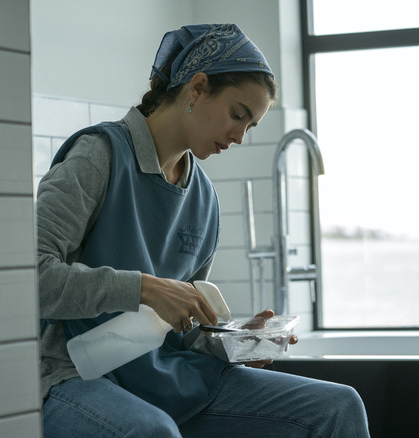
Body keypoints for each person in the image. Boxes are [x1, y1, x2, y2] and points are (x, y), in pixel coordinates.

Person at [38, 23, 370, 437]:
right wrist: (145, 288)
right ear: (196, 88)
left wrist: (232, 342)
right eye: (238, 115)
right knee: (152, 432)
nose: (239, 136)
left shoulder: (204, 199)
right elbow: (29, 279)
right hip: (71, 374)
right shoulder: (98, 156)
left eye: (250, 127)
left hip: (164, 377)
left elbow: (181, 328)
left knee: (337, 407)